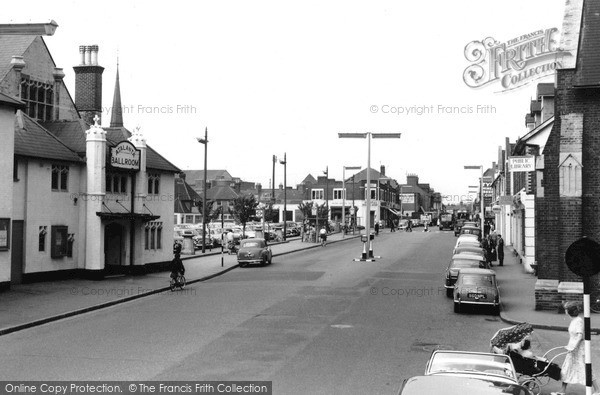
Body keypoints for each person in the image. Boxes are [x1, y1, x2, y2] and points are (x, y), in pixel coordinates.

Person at [558, 301, 600, 395]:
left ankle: (597, 389)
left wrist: (573, 346)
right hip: (572, 348)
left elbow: (580, 335)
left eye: (566, 310)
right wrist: (570, 346)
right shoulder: (574, 320)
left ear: (568, 311)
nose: (565, 311)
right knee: (567, 367)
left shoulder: (578, 321)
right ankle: (562, 390)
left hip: (579, 348)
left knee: (585, 367)